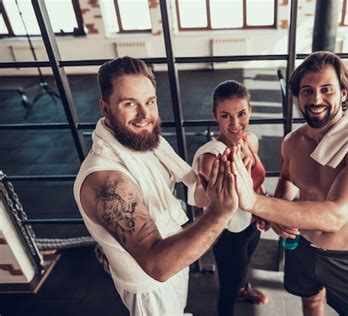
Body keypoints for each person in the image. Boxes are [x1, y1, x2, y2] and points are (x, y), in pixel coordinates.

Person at [73, 56, 239, 316]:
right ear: (105, 109)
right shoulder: (106, 181)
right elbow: (157, 265)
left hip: (174, 254)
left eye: (150, 102)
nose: (145, 115)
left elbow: (193, 184)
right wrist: (219, 213)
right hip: (150, 287)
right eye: (130, 104)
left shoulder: (144, 142)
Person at [231, 51, 348, 316]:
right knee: (310, 301)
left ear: (344, 93)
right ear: (298, 96)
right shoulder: (294, 142)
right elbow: (287, 179)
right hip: (301, 247)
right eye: (307, 91)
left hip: (345, 257)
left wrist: (257, 203)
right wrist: (277, 211)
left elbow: (335, 215)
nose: (316, 99)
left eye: (326, 89)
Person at [188, 80, 269, 316]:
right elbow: (222, 199)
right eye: (226, 116)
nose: (235, 124)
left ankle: (244, 289)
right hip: (228, 232)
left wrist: (262, 210)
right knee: (228, 285)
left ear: (250, 111)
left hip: (252, 223)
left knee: (245, 265)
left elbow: (256, 183)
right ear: (216, 115)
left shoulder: (250, 140)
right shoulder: (211, 158)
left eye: (241, 113)